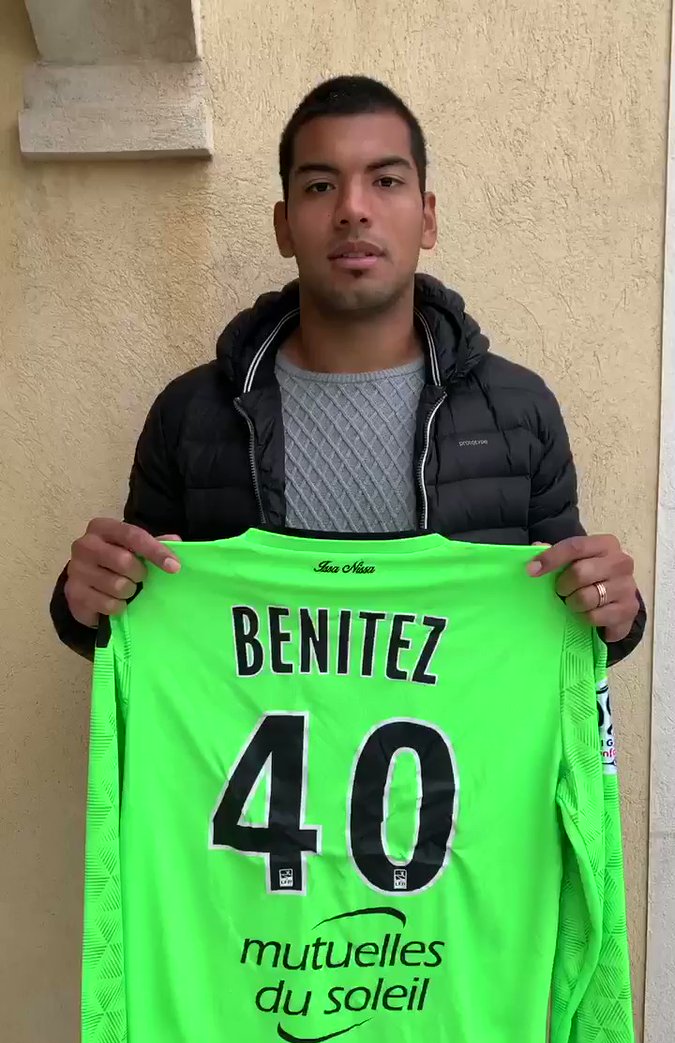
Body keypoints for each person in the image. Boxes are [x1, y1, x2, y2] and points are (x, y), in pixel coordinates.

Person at [50, 75, 645, 662]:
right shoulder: (192, 412)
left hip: (451, 762)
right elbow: (135, 624)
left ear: (428, 217)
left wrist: (614, 611)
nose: (353, 210)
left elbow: (566, 620)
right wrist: (85, 600)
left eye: (385, 181)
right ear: (284, 226)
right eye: (319, 187)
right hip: (249, 761)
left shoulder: (518, 409)